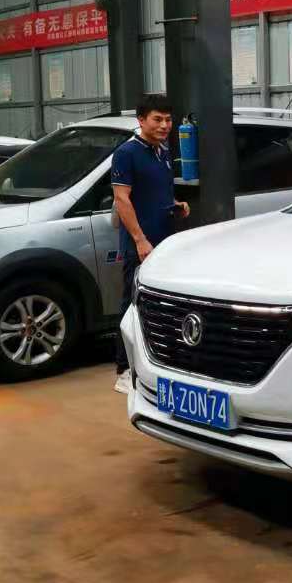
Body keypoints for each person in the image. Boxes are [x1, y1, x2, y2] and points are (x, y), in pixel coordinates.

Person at [111, 96, 189, 394]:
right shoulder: (127, 153)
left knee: (161, 305)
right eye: (157, 119)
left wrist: (175, 204)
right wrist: (140, 240)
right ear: (141, 120)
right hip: (140, 246)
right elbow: (122, 199)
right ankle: (123, 369)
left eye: (168, 120)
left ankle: (158, 363)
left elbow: (155, 192)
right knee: (132, 304)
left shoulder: (162, 151)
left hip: (164, 241)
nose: (164, 125)